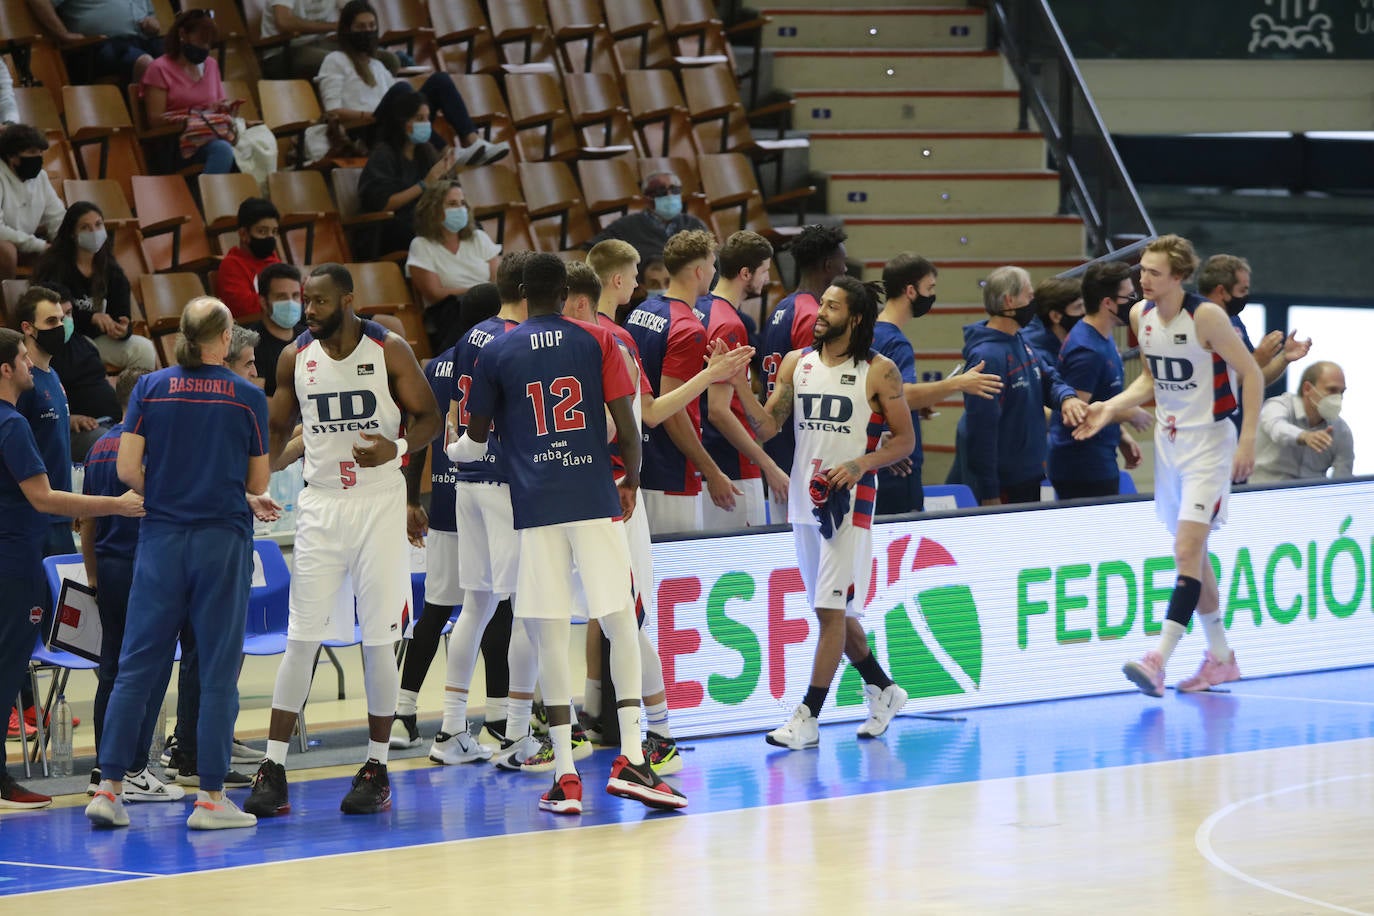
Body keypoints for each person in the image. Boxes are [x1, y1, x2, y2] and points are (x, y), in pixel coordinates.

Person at [448, 252, 686, 814]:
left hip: (537, 507)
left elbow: (475, 438)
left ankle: (565, 773)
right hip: (596, 497)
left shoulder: (498, 349)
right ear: (568, 293)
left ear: (525, 292)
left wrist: (460, 450)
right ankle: (632, 757)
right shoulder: (600, 340)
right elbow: (628, 422)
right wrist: (630, 481)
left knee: (548, 630)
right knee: (620, 623)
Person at [246, 263, 441, 818]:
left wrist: (397, 451)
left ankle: (376, 765)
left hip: (378, 503)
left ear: (349, 301)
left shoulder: (390, 349)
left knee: (378, 640)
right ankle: (274, 765)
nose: (309, 311)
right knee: (301, 636)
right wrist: (253, 482)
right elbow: (278, 430)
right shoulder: (293, 357)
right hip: (320, 504)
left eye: (321, 302)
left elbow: (429, 417)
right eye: (306, 301)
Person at [83, 297, 269, 830]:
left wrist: (168, 492)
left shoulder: (149, 387)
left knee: (136, 668)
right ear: (225, 335)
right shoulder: (246, 397)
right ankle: (210, 800)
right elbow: (257, 484)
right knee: (214, 671)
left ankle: (110, 789)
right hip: (221, 541)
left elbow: (126, 467)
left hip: (161, 539)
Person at [569, 250, 752, 772]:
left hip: (596, 494)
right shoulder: (611, 338)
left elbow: (642, 416)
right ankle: (641, 728)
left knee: (602, 616)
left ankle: (620, 725)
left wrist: (710, 373)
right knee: (617, 616)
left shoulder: (615, 335)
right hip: (608, 493)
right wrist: (711, 374)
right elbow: (648, 416)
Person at [1074, 234, 1263, 696]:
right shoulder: (1139, 316)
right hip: (1170, 446)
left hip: (1211, 448)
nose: (1143, 279)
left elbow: (1252, 373)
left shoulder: (1207, 316)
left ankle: (1157, 658)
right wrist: (1108, 408)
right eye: (1141, 271)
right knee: (1195, 558)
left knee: (1184, 552)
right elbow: (1149, 380)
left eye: (1154, 273)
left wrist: (1248, 441)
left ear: (1178, 277)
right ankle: (1221, 659)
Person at [732, 277, 914, 749]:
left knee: (831, 611)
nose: (820, 314)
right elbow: (768, 425)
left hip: (849, 507)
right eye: (821, 305)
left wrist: (862, 462)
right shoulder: (798, 363)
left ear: (853, 318)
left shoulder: (880, 371)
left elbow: (905, 441)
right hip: (803, 501)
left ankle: (807, 717)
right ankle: (884, 688)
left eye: (831, 307)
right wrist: (736, 385)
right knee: (831, 611)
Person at [0, 327, 144, 811]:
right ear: (6, 369)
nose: (30, 366)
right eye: (23, 358)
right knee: (7, 666)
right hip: (14, 560)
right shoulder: (12, 424)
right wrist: (116, 506)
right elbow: (44, 497)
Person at [389, 281, 512, 754]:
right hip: (491, 494)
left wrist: (409, 497)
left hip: (445, 501)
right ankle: (500, 717)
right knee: (496, 608)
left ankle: (403, 713)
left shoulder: (433, 367)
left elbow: (418, 433)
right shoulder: (504, 351)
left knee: (436, 611)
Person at [79, 367, 185, 803]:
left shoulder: (99, 446)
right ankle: (136, 767)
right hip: (146, 571)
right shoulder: (150, 448)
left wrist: (92, 574)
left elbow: (86, 518)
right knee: (149, 669)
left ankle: (104, 767)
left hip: (108, 569)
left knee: (112, 670)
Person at [625, 229, 739, 534]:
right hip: (670, 471)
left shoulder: (641, 311)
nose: (715, 273)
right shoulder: (689, 328)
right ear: (700, 271)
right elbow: (673, 412)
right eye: (713, 265)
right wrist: (712, 472)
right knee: (673, 578)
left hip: (637, 461)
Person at [872, 253, 1004, 515]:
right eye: (929, 288)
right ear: (911, 291)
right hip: (897, 467)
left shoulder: (873, 332)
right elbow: (902, 395)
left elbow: (881, 395)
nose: (932, 295)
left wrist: (919, 404)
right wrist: (957, 384)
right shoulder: (895, 342)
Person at [306, 1, 507, 167]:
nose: (367, 32)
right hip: (362, 132)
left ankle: (473, 142)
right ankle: (448, 154)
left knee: (440, 80)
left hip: (390, 124)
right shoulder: (335, 60)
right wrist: (370, 116)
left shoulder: (378, 66)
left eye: (371, 27)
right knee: (402, 91)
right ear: (347, 30)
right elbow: (332, 112)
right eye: (360, 27)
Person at [952, 266, 1087, 505]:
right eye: (1029, 295)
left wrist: (1067, 398)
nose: (1033, 303)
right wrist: (989, 492)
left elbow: (1048, 379)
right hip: (1005, 486)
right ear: (1009, 301)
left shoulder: (1020, 340)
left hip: (1029, 475)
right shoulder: (988, 357)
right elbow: (981, 432)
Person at [696, 230, 788, 529]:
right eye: (764, 272)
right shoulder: (729, 323)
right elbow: (720, 410)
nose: (767, 279)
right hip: (732, 463)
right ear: (745, 273)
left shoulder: (699, 309)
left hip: (706, 456)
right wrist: (768, 465)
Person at [760, 224, 849, 523]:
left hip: (779, 445)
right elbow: (817, 388)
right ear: (827, 266)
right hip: (803, 454)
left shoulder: (781, 307)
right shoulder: (813, 315)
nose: (845, 272)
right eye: (842, 266)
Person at [1046, 260, 1147, 499]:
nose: (1134, 301)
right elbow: (1077, 415)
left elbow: (1101, 398)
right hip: (1083, 467)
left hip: (1099, 456)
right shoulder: (1087, 351)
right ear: (1108, 303)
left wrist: (1121, 435)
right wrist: (1130, 413)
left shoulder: (1102, 336)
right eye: (1129, 296)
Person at [33, 202, 157, 371]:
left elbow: (122, 314)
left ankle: (132, 396)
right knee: (87, 350)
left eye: (98, 225)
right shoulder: (55, 266)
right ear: (71, 234)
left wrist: (122, 330)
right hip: (65, 342)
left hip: (96, 341)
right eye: (85, 227)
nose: (94, 232)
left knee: (144, 349)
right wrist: (91, 317)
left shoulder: (111, 269)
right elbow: (48, 312)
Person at [357, 89, 461, 259]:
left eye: (428, 119)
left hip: (421, 219)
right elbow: (382, 204)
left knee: (471, 229)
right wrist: (424, 184)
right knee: (427, 233)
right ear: (402, 122)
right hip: (390, 228)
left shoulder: (426, 151)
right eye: (420, 119)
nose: (426, 124)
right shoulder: (384, 154)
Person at [13, 286, 76, 556]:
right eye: (51, 321)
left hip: (61, 514)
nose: (60, 327)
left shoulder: (54, 375)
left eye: (61, 319)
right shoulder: (21, 384)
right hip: (35, 520)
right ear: (28, 328)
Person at [405, 179, 500, 353]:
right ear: (434, 209)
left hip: (489, 305)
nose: (460, 209)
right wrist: (478, 292)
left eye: (462, 203)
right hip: (449, 312)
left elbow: (498, 280)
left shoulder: (478, 237)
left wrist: (482, 294)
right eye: (452, 204)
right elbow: (434, 294)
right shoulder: (421, 245)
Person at [139, 10, 237, 175]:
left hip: (211, 133)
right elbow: (155, 120)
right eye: (201, 41)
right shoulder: (159, 68)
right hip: (177, 143)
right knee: (222, 150)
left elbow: (220, 103)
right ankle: (207, 199)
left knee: (253, 144)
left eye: (209, 43)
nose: (205, 48)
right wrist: (194, 116)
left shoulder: (211, 65)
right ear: (183, 34)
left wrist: (224, 108)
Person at [1197, 254, 1311, 390]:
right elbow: (1205, 386)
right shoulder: (1191, 323)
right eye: (1242, 290)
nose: (1246, 296)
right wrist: (1256, 360)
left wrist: (1284, 357)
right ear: (1221, 291)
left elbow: (1253, 377)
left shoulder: (1233, 321)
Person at [41, 282, 120, 462]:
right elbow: (32, 410)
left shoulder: (83, 343)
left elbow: (99, 379)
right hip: (74, 432)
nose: (65, 321)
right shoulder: (37, 357)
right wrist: (68, 419)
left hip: (111, 420)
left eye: (68, 314)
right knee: (118, 448)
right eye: (56, 317)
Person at [588, 171, 711, 275]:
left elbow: (711, 260)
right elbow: (592, 249)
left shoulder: (694, 224)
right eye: (661, 191)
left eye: (674, 190)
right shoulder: (627, 226)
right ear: (646, 199)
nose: (669, 195)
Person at [1251, 360, 1353, 483]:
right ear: (1307, 389)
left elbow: (1343, 478)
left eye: (1341, 392)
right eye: (1331, 390)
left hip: (1311, 498)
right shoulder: (1278, 405)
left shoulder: (1341, 430)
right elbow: (1276, 428)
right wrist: (1304, 436)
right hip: (1265, 494)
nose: (1338, 398)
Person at [24, 0, 161, 84]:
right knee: (145, 62)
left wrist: (153, 24)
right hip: (96, 48)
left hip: (142, 41)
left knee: (178, 54)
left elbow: (150, 17)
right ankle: (151, 124)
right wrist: (62, 34)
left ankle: (176, 120)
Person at [260, 0, 400, 80]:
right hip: (282, 51)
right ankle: (348, 117)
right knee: (337, 62)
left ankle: (378, 112)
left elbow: (355, 11)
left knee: (388, 60)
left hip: (320, 44)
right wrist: (335, 26)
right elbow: (284, 22)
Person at [0, 123, 65, 281]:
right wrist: (40, 246)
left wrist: (65, 243)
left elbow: (57, 216)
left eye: (41, 153)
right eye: (32, 152)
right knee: (6, 250)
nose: (38, 158)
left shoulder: (40, 177)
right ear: (12, 157)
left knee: (65, 255)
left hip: (25, 245)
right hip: (7, 247)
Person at [216, 199, 283, 320]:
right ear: (243, 234)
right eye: (262, 231)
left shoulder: (274, 262)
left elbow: (299, 296)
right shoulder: (231, 265)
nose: (270, 237)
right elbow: (244, 308)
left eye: (274, 232)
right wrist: (284, 300)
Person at [246, 263, 305, 397]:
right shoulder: (250, 344)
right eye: (282, 297)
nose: (291, 303)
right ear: (263, 302)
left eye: (295, 296)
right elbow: (256, 401)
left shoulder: (310, 337)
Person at [1022, 276, 1084, 368]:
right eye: (1078, 307)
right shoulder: (1038, 355)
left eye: (1084, 305)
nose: (1085, 312)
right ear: (1055, 316)